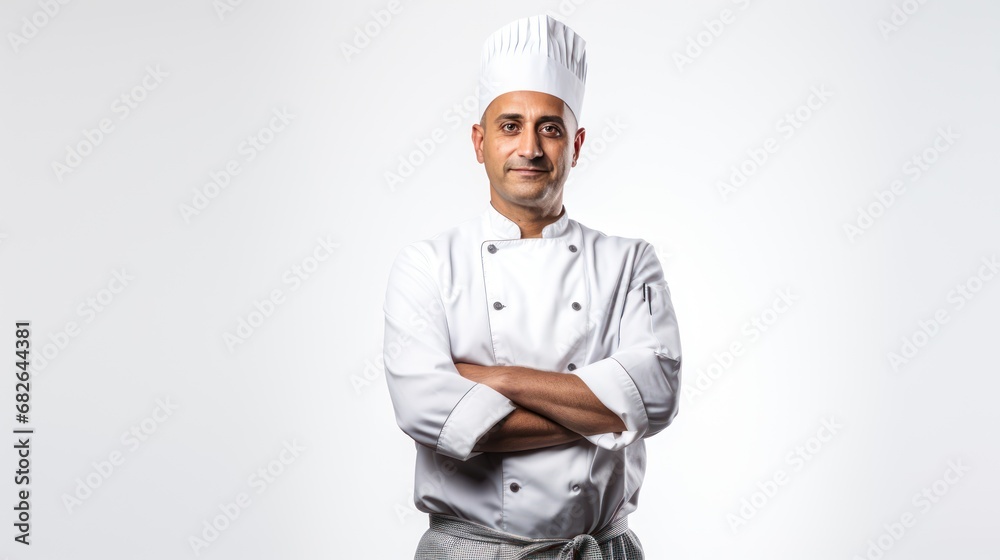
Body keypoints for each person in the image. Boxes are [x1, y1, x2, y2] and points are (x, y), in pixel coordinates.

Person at [382, 14, 682, 560]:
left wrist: (496, 380)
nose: (531, 148)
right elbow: (430, 414)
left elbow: (656, 395)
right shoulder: (427, 265)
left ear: (577, 144)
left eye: (550, 127)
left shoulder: (629, 261)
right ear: (480, 141)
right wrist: (607, 412)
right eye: (510, 125)